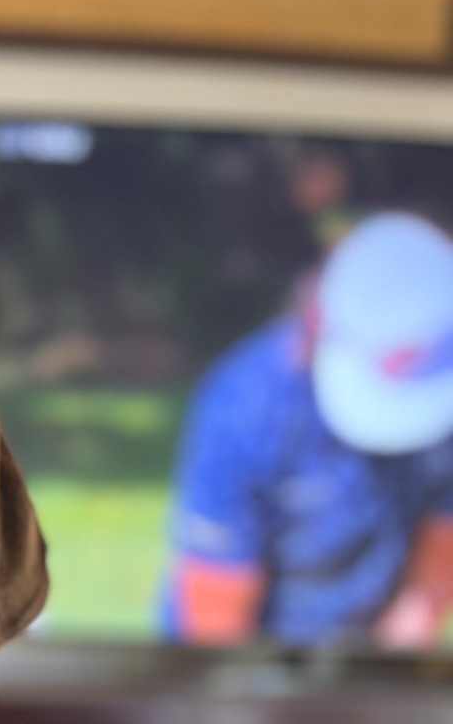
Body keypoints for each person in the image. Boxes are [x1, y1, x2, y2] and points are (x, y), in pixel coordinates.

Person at [159, 211, 453, 647]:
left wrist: (381, 676)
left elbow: (432, 572)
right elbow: (215, 621)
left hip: (365, 657)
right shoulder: (246, 405)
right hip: (248, 657)